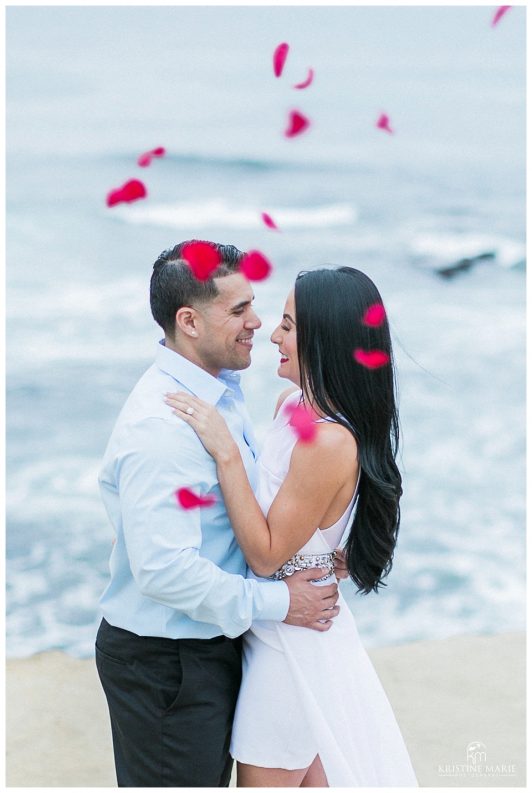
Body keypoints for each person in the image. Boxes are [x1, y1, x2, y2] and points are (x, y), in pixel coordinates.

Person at [95, 241, 341, 788]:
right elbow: (164, 571)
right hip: (168, 666)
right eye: (238, 311)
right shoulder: (163, 429)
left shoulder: (219, 392)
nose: (258, 323)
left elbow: (241, 512)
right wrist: (281, 601)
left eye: (254, 305)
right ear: (188, 321)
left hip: (214, 643)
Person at [165, 266, 419, 787]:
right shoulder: (292, 408)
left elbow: (266, 556)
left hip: (292, 646)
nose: (273, 335)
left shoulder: (326, 440)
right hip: (276, 626)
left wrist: (226, 452)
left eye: (288, 324)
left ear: (325, 338)